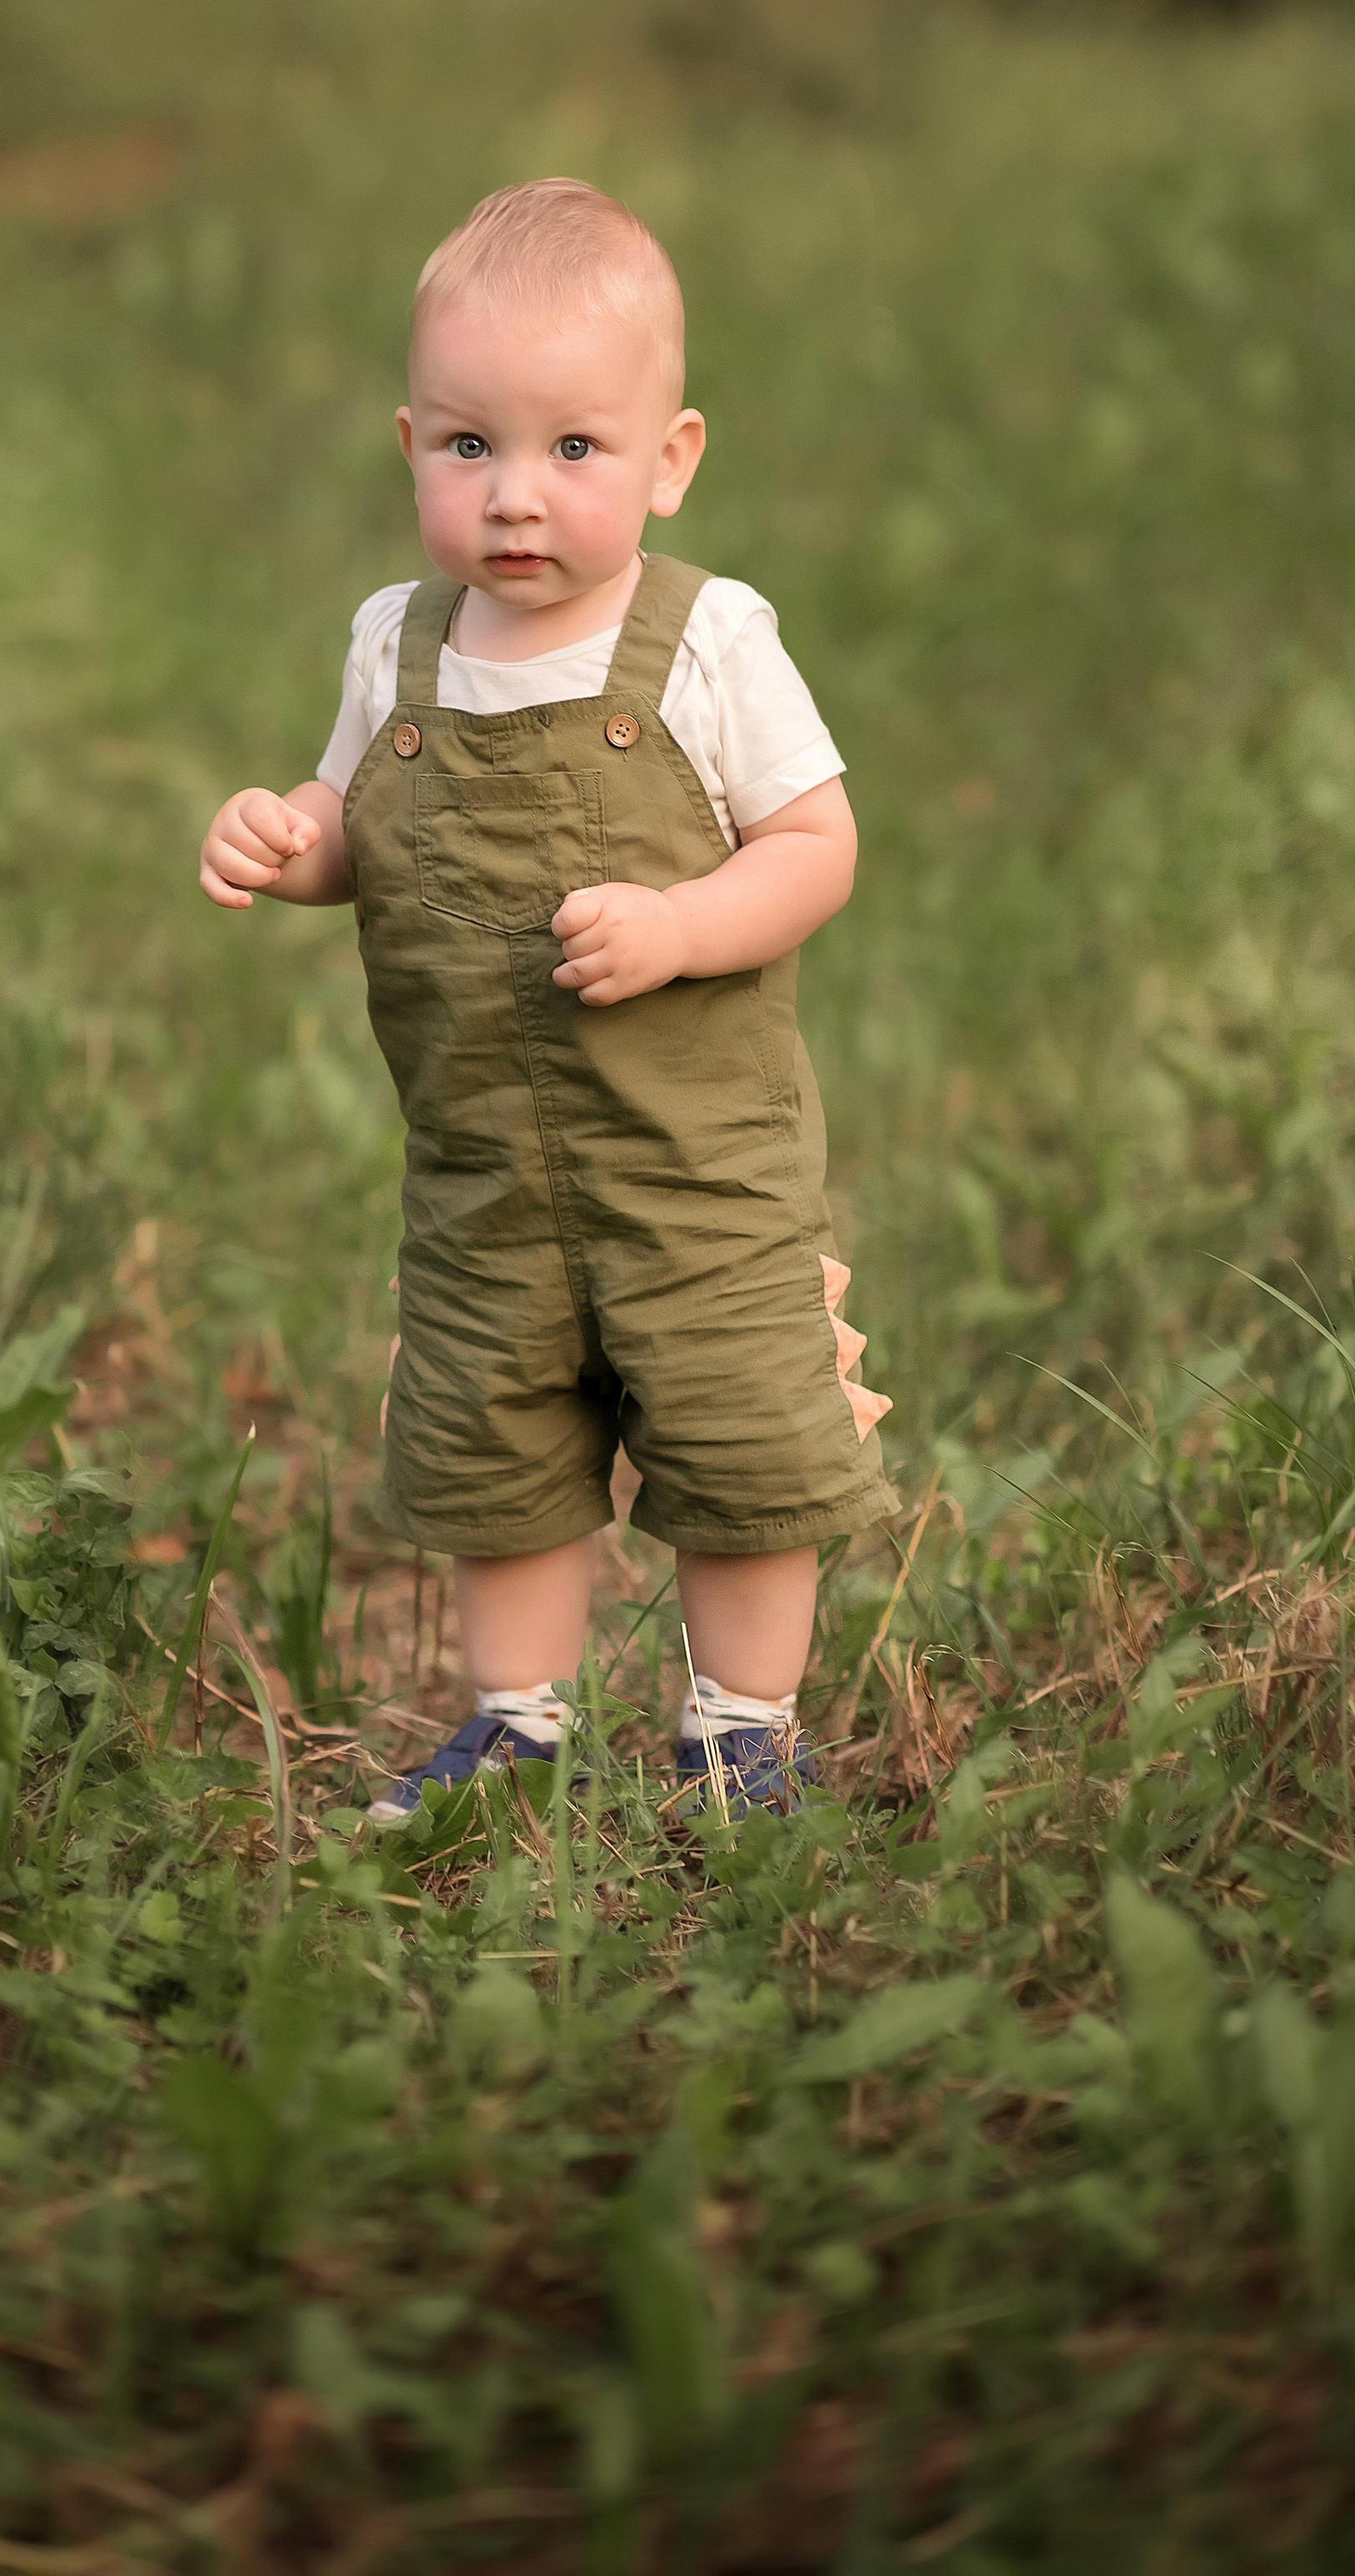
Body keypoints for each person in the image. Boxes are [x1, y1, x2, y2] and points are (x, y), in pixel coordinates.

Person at [198, 179, 890, 1819]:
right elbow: (354, 833)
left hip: (692, 1173)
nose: (515, 497)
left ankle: (741, 1732)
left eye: (573, 450)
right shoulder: (398, 645)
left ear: (669, 459)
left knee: (740, 1452)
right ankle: (515, 1721)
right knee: (492, 1461)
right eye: (466, 447)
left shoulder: (708, 641)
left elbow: (815, 844)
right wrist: (286, 838)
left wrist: (682, 922)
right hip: (486, 1176)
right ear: (408, 445)